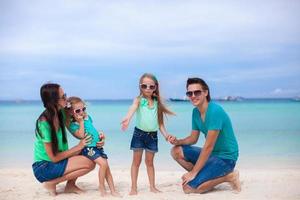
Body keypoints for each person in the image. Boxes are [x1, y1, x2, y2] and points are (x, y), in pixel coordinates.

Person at [168, 77, 241, 194]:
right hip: (212, 155)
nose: (193, 96)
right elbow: (193, 139)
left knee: (188, 188)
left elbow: (208, 147)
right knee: (176, 151)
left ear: (206, 93)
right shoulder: (195, 112)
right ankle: (204, 179)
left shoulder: (215, 111)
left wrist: (193, 172)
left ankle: (228, 177)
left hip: (226, 158)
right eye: (189, 93)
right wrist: (178, 141)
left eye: (197, 92)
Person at [32, 83, 104, 196]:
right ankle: (52, 183)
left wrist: (98, 139)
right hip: (43, 167)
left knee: (89, 156)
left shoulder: (61, 114)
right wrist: (78, 147)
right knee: (89, 162)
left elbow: (82, 122)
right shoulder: (44, 123)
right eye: (63, 97)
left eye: (65, 95)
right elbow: (53, 158)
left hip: (57, 161)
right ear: (53, 101)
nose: (67, 99)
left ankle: (70, 186)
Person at [121, 73, 175, 195]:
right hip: (139, 135)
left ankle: (152, 187)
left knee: (150, 163)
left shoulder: (157, 102)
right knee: (136, 162)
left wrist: (166, 135)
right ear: (140, 87)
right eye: (144, 86)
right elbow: (133, 108)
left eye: (151, 86)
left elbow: (160, 123)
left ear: (156, 87)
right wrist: (128, 118)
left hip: (152, 136)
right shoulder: (139, 100)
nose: (148, 89)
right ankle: (133, 188)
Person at [66, 96, 120, 197]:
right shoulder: (74, 125)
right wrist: (81, 122)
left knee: (107, 167)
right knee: (103, 164)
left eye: (83, 109)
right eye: (78, 111)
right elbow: (81, 135)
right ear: (70, 112)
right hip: (88, 148)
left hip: (97, 147)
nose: (81, 112)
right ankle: (101, 187)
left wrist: (100, 135)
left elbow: (92, 130)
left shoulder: (88, 118)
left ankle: (113, 190)